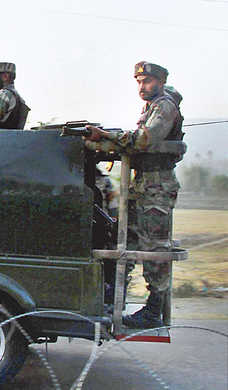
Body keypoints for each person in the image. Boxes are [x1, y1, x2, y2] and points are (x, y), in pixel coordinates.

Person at [84, 61, 184, 328]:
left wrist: (107, 136)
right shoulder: (151, 106)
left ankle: (153, 312)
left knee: (155, 249)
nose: (142, 86)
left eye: (147, 81)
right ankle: (113, 298)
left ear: (160, 82)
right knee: (123, 239)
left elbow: (143, 139)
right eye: (139, 81)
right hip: (143, 186)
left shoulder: (164, 106)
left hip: (157, 188)